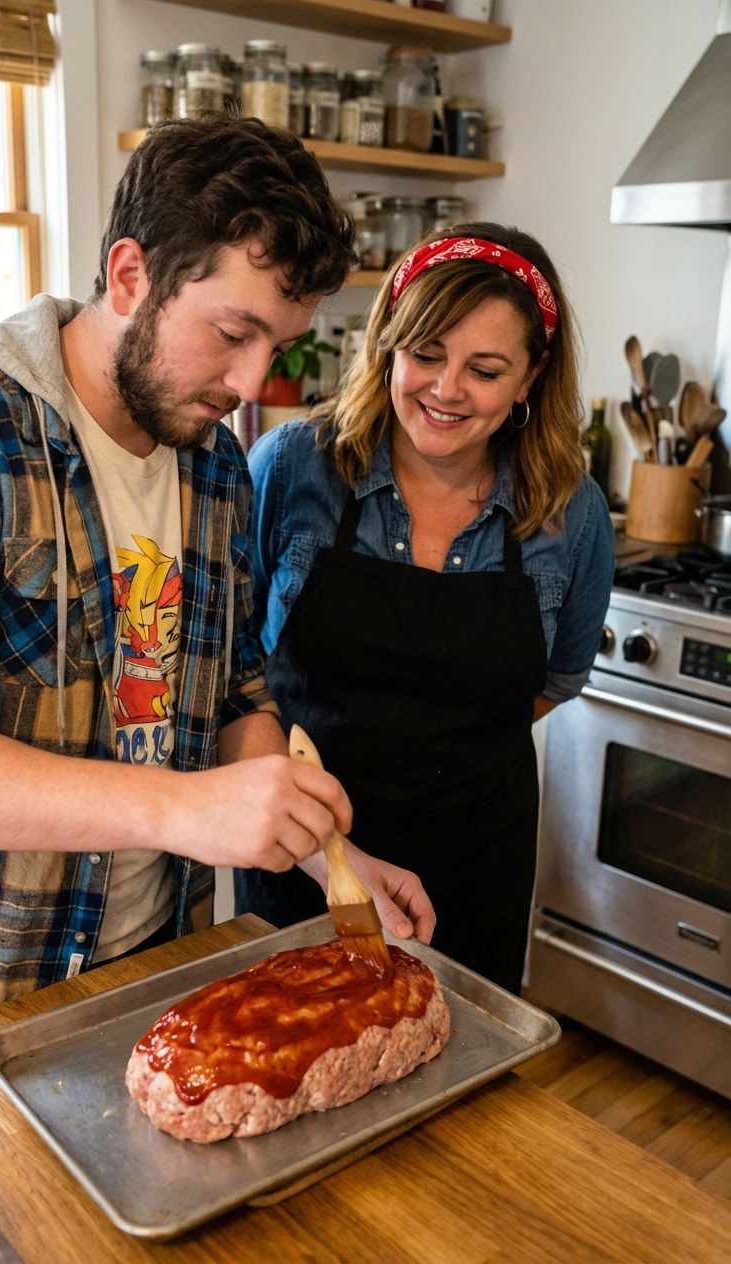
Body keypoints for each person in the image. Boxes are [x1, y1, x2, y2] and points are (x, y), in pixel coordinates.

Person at [0, 116, 434, 1042]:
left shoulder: (212, 460)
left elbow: (234, 696)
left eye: (281, 346)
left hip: (159, 958)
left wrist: (336, 861)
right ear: (131, 275)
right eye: (232, 332)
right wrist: (187, 810)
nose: (252, 381)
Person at [235, 224, 615, 994]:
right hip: (308, 857)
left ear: (530, 377)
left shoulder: (573, 517)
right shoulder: (292, 467)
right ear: (388, 343)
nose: (445, 390)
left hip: (475, 868)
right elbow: (233, 662)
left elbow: (558, 678)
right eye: (427, 354)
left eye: (484, 369)